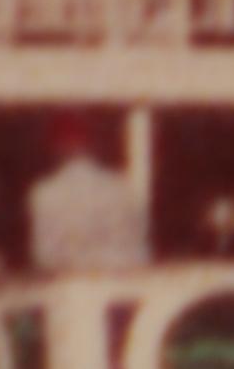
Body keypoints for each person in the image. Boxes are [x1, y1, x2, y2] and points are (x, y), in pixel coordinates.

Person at [25, 114, 149, 271]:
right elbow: (136, 251)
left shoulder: (44, 194)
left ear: (55, 148)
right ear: (92, 145)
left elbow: (44, 257)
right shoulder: (120, 188)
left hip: (68, 288)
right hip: (119, 284)